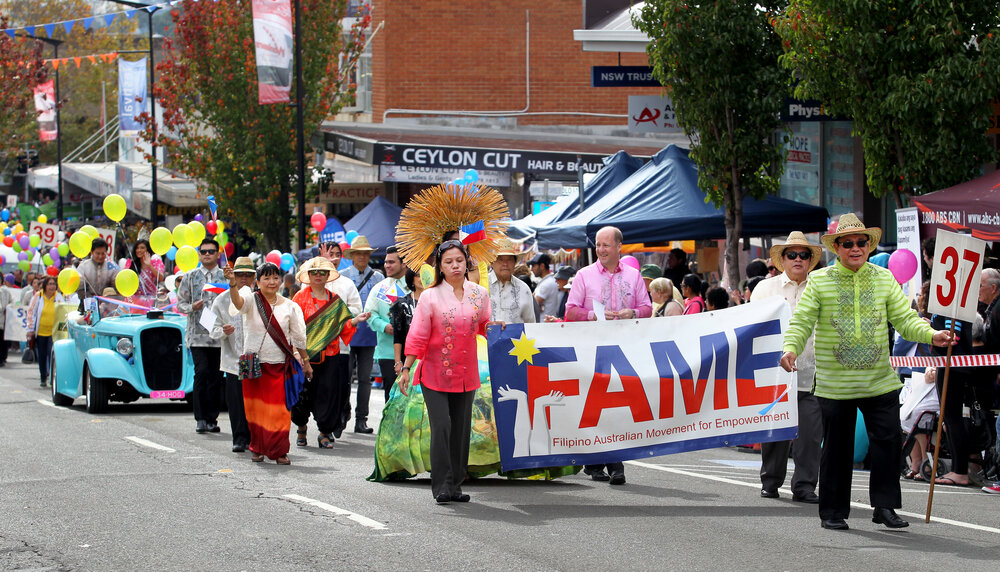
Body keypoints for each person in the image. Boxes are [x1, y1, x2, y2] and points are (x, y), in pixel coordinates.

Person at [780, 214, 955, 530]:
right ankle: (833, 512)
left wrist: (932, 335)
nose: (856, 248)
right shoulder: (819, 281)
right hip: (836, 384)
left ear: (869, 245)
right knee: (837, 449)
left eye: (861, 242)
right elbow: (801, 322)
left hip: (879, 381)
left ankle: (884, 507)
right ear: (837, 248)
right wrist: (791, 348)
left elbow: (905, 320)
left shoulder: (884, 278)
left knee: (888, 444)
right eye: (848, 243)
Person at [397, 240, 493, 503]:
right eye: (448, 262)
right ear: (440, 266)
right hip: (434, 372)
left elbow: (485, 325)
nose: (455, 266)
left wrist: (497, 328)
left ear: (467, 262)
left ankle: (456, 485)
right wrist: (406, 368)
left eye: (459, 260)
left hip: (467, 373)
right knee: (441, 426)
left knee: (461, 431)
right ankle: (441, 485)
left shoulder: (479, 294)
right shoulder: (430, 296)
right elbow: (418, 335)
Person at [565, 226, 652, 486]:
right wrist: (593, 315)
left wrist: (632, 313)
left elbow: (647, 308)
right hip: (593, 350)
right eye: (598, 245)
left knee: (620, 405)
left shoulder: (634, 276)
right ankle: (606, 463)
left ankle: (606, 463)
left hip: (625, 349)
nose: (601, 250)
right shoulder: (584, 275)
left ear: (619, 247)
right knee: (598, 405)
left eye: (606, 245)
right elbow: (570, 311)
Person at [752, 231, 824, 504]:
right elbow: (751, 327)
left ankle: (805, 486)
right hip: (774, 372)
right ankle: (770, 481)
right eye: (792, 254)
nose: (798, 259)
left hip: (812, 372)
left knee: (810, 434)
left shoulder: (820, 287)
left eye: (804, 255)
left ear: (810, 261)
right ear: (782, 260)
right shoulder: (765, 289)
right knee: (774, 432)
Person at [224, 262, 311, 465]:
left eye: (275, 277)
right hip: (252, 364)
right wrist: (232, 284)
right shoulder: (250, 299)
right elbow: (238, 304)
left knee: (279, 411)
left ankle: (279, 451)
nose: (272, 282)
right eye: (266, 278)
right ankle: (257, 447)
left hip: (279, 365)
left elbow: (298, 338)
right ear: (258, 282)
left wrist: (306, 361)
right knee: (255, 410)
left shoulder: (290, 306)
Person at [292, 257, 370, 448]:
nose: (318, 276)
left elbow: (342, 325)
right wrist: (296, 353)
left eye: (322, 272)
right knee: (301, 394)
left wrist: (355, 320)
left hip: (330, 354)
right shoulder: (299, 298)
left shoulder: (334, 300)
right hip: (304, 355)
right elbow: (291, 327)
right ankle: (301, 427)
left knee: (328, 394)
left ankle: (324, 432)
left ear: (328, 276)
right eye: (314, 272)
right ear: (308, 275)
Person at [177, 238, 227, 435]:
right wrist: (192, 307)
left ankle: (212, 418)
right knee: (202, 372)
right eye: (204, 251)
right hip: (197, 335)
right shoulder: (191, 276)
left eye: (211, 251)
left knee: (216, 376)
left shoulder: (225, 276)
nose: (207, 254)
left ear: (217, 254)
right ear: (199, 254)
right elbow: (180, 304)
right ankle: (200, 418)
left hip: (219, 335)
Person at [209, 256, 256, 453]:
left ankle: (255, 439)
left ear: (254, 278)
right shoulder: (220, 299)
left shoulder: (260, 297)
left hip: (254, 358)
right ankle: (239, 438)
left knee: (254, 401)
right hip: (233, 359)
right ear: (232, 276)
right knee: (236, 400)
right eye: (239, 274)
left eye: (248, 275)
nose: (244, 278)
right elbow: (208, 325)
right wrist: (222, 331)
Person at [340, 235, 383, 434]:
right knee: (344, 378)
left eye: (366, 254)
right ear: (352, 255)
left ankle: (361, 419)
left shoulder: (378, 277)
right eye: (359, 254)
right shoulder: (342, 277)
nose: (362, 257)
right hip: (347, 333)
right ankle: (343, 413)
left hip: (368, 334)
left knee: (365, 379)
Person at [365, 246, 409, 405]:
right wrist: (384, 326)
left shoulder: (415, 285)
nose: (387, 266)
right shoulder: (380, 288)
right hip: (388, 352)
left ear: (404, 263)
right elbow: (369, 313)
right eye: (386, 262)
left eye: (391, 262)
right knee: (391, 398)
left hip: (413, 352)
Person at [389, 268, 424, 398]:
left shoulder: (437, 301)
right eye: (418, 275)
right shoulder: (402, 303)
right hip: (408, 358)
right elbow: (398, 335)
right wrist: (398, 362)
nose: (422, 278)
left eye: (426, 274)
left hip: (431, 359)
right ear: (411, 279)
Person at [26, 276, 64, 387]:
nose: (52, 287)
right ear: (45, 286)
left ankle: (52, 377)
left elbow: (63, 313)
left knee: (52, 355)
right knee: (42, 356)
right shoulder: (38, 296)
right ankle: (43, 377)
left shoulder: (59, 298)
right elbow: (31, 313)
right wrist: (30, 329)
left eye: (54, 284)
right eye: (50, 284)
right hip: (41, 332)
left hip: (54, 333)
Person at [489, 239, 535, 325]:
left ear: (514, 263)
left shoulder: (523, 289)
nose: (505, 264)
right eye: (500, 259)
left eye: (509, 259)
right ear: (492, 262)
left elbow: (530, 323)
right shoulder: (481, 285)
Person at [533, 254, 560, 318]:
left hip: (545, 321)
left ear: (542, 266)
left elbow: (532, 305)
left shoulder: (547, 283)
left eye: (534, 266)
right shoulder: (547, 281)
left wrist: (533, 300)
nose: (532, 269)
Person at [0, 275, 14, 366]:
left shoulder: (5, 291)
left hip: (3, 320)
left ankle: (2, 358)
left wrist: (8, 307)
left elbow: (12, 302)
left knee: (2, 340)